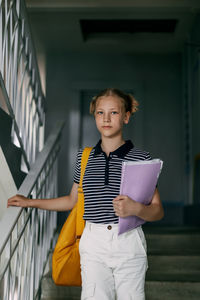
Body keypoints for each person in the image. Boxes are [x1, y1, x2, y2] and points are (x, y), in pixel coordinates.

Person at [8, 88, 164, 300]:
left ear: (126, 116)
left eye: (114, 113)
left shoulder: (141, 158)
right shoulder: (85, 157)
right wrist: (31, 202)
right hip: (93, 241)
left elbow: (157, 211)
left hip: (128, 241)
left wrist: (136, 208)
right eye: (100, 112)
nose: (106, 118)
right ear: (94, 116)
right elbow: (72, 200)